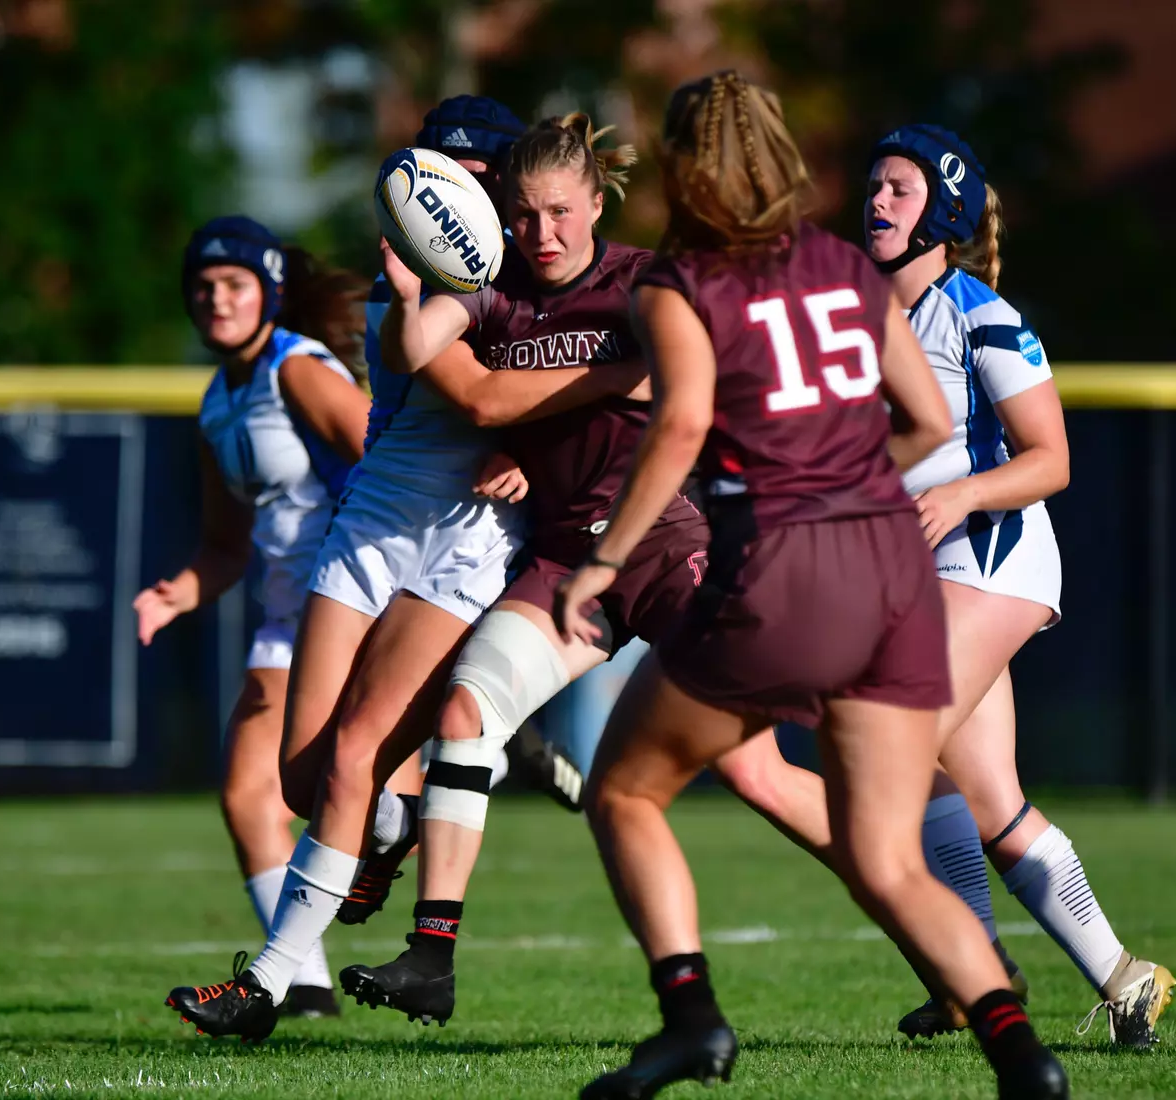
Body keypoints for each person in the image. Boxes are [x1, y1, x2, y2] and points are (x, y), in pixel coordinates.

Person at [556, 72, 1069, 1100]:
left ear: (685, 162)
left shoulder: (677, 280)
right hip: (894, 572)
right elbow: (925, 421)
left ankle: (690, 1017)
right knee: (888, 860)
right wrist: (844, 472)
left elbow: (685, 423)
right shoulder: (845, 265)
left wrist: (605, 559)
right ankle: (1025, 1059)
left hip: (785, 569)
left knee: (622, 788)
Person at [337, 112, 851, 1032]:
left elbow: (709, 385)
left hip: (666, 543)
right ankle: (431, 956)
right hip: (570, 559)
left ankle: (930, 917)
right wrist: (421, 284)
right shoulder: (494, 292)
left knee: (756, 774)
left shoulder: (643, 283)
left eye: (560, 212)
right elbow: (418, 355)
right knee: (467, 712)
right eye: (524, 215)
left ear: (598, 199)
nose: (542, 234)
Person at [163, 98, 647, 1043]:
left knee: (352, 754)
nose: (448, 191)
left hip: (468, 535)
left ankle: (265, 985)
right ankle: (392, 822)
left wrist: (539, 446)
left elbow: (539, 384)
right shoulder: (430, 271)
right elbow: (447, 375)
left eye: (470, 174)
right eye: (436, 171)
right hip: (375, 519)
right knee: (305, 782)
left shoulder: (527, 273)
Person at [863, 125, 1174, 1047]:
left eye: (899, 190)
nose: (876, 201)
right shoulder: (859, 314)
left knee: (886, 735)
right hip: (921, 573)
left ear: (945, 214)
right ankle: (1124, 978)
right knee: (982, 799)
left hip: (995, 559)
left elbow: (1054, 460)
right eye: (872, 185)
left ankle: (973, 972)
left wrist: (961, 492)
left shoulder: (980, 312)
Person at [137, 216, 370, 1018]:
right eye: (202, 288)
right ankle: (301, 986)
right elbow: (224, 547)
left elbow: (388, 462)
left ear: (268, 292)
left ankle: (472, 739)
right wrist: (176, 592)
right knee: (247, 796)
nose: (216, 299)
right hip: (284, 619)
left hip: (355, 606)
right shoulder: (215, 402)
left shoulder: (296, 369)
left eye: (234, 284)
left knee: (351, 793)